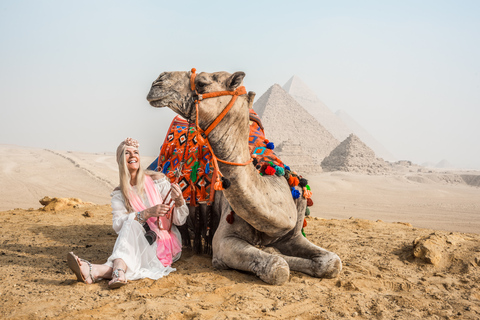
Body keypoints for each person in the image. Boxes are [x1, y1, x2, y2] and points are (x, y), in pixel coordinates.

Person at [67, 137, 188, 289]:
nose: (133, 156)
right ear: (120, 160)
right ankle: (111, 272)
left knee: (131, 222)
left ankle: (99, 270)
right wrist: (147, 213)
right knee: (131, 222)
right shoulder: (119, 193)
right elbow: (118, 225)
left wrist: (179, 202)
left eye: (136, 152)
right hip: (136, 239)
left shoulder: (158, 181)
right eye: (127, 153)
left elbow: (179, 221)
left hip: (161, 242)